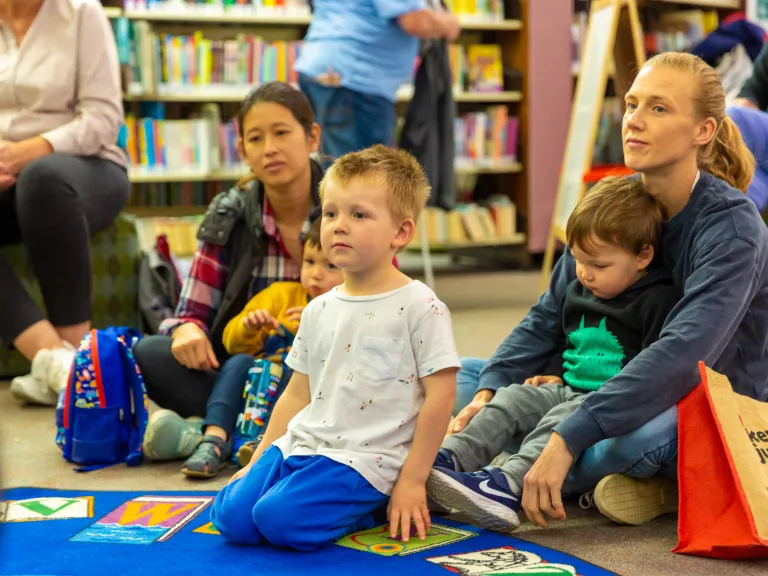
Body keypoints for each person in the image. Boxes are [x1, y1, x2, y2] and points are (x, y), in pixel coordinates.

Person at [446, 51, 768, 529]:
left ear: (704, 131)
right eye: (633, 104)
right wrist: (489, 394)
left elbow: (683, 358)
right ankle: (613, 478)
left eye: (658, 109)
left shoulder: (732, 226)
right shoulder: (616, 203)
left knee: (624, 438)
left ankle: (540, 471)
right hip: (598, 384)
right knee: (459, 381)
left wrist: (568, 435)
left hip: (701, 401)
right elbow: (549, 314)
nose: (634, 121)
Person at [210, 145, 461, 552]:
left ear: (401, 232)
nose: (338, 226)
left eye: (358, 215)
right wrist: (258, 459)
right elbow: (297, 393)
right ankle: (299, 495)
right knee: (232, 520)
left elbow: (441, 395)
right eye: (330, 213)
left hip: (365, 460)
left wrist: (413, 479)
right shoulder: (318, 308)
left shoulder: (420, 306)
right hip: (302, 443)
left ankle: (368, 509)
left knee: (277, 521)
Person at [426, 177, 678, 531]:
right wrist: (554, 372)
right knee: (510, 396)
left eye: (599, 265)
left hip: (607, 405)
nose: (585, 274)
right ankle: (449, 462)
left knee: (560, 420)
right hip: (566, 387)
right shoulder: (579, 288)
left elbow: (652, 370)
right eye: (577, 260)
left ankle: (506, 484)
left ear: (643, 256)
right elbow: (562, 338)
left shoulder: (657, 300)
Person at [133, 82, 324, 426]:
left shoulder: (349, 205)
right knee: (150, 354)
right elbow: (191, 313)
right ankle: (250, 426)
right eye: (255, 139)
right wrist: (186, 330)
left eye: (281, 133)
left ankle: (217, 430)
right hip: (244, 375)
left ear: (312, 137)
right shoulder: (229, 215)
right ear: (241, 149)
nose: (270, 149)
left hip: (332, 377)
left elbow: (387, 302)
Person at [143, 217, 344, 478]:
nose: (316, 273)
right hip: (253, 385)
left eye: (330, 265)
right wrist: (248, 327)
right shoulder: (281, 294)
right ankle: (213, 439)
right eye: (309, 262)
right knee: (237, 362)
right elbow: (231, 343)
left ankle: (259, 443)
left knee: (294, 373)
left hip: (300, 394)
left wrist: (316, 326)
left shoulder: (346, 308)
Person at [2, 0, 130, 405]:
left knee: (43, 180)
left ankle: (74, 352)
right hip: (5, 173)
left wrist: (34, 149)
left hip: (85, 166)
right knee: (34, 180)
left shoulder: (81, 13)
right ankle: (61, 364)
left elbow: (104, 117)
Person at [295, 0, 460, 159]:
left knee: (338, 167)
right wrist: (448, 24)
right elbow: (414, 20)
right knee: (364, 175)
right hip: (355, 80)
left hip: (327, 70)